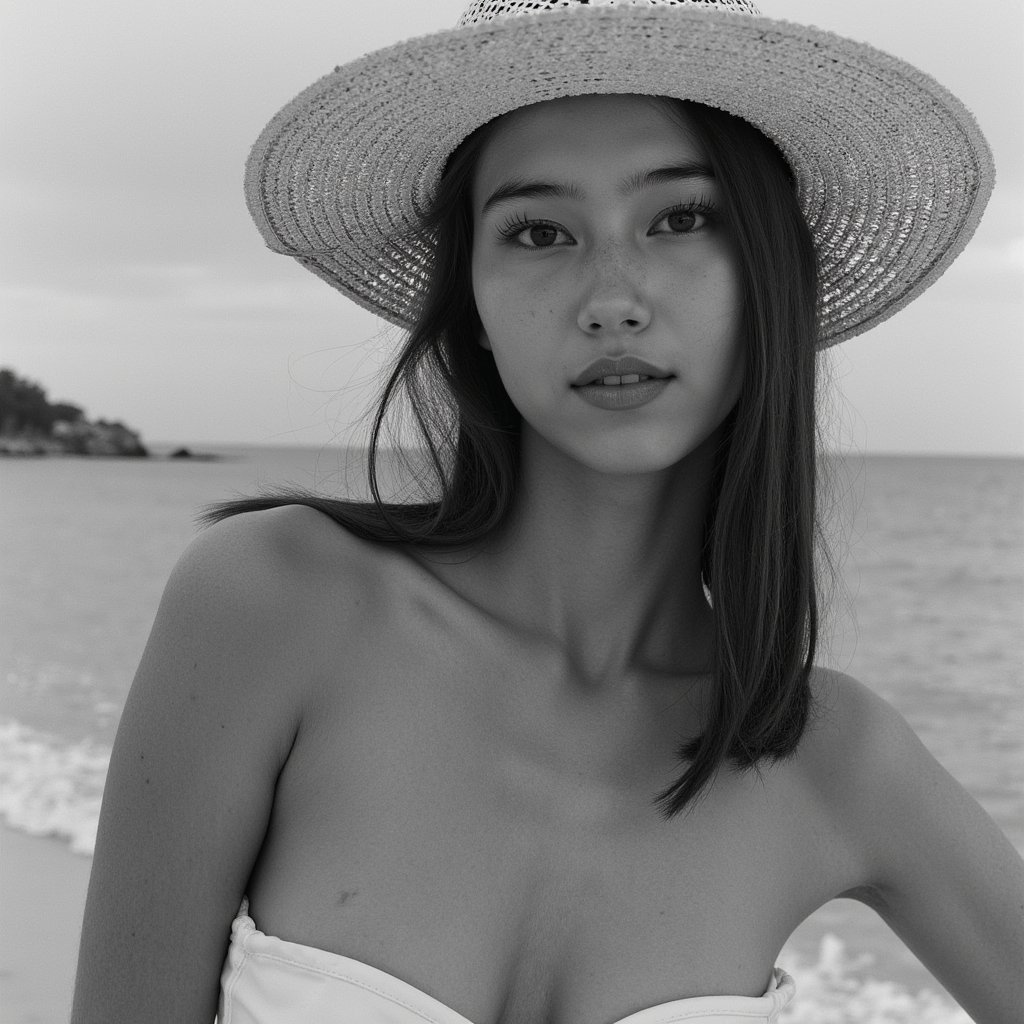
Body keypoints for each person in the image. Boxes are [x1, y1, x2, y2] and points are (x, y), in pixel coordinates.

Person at [71, 1, 1023, 1022]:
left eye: (681, 218)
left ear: (768, 278)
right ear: (471, 306)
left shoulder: (830, 757)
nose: (611, 296)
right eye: (537, 231)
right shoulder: (272, 604)